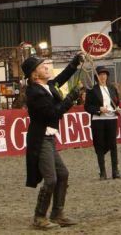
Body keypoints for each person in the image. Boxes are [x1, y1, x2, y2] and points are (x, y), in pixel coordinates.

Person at [23, 53, 83, 230]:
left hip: (48, 138)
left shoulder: (47, 86)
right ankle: (39, 216)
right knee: (51, 179)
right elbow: (53, 113)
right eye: (42, 67)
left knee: (62, 174)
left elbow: (61, 78)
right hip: (41, 139)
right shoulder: (35, 93)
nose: (46, 68)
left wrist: (74, 64)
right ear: (34, 75)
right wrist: (71, 98)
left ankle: (57, 213)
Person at [84, 65, 121, 180]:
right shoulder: (92, 90)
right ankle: (103, 172)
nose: (103, 76)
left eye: (105, 74)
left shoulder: (112, 88)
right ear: (97, 76)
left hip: (111, 118)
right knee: (99, 145)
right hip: (98, 120)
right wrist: (98, 109)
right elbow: (87, 107)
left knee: (113, 145)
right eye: (100, 74)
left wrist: (118, 108)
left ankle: (115, 171)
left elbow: (116, 102)